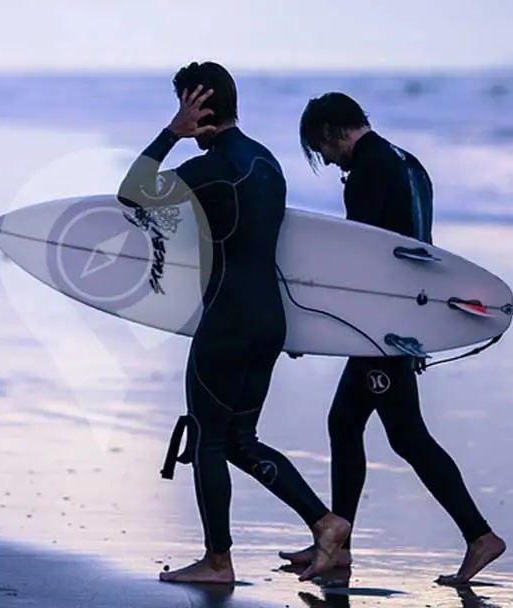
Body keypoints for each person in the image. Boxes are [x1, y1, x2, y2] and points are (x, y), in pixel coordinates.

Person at [115, 62, 351, 585]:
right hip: (270, 318)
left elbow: (132, 192)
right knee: (242, 440)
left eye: (182, 105)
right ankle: (326, 522)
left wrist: (172, 134)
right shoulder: (266, 162)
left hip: (228, 319)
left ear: (194, 107)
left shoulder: (215, 165)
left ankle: (218, 562)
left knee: (209, 442)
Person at [277, 92, 506, 586]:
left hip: (381, 328)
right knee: (350, 424)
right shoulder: (408, 163)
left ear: (334, 130)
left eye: (321, 147)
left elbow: (360, 262)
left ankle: (479, 535)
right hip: (403, 319)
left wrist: (311, 325)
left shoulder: (367, 171)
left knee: (406, 435)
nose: (327, 159)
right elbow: (417, 248)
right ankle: (338, 544)